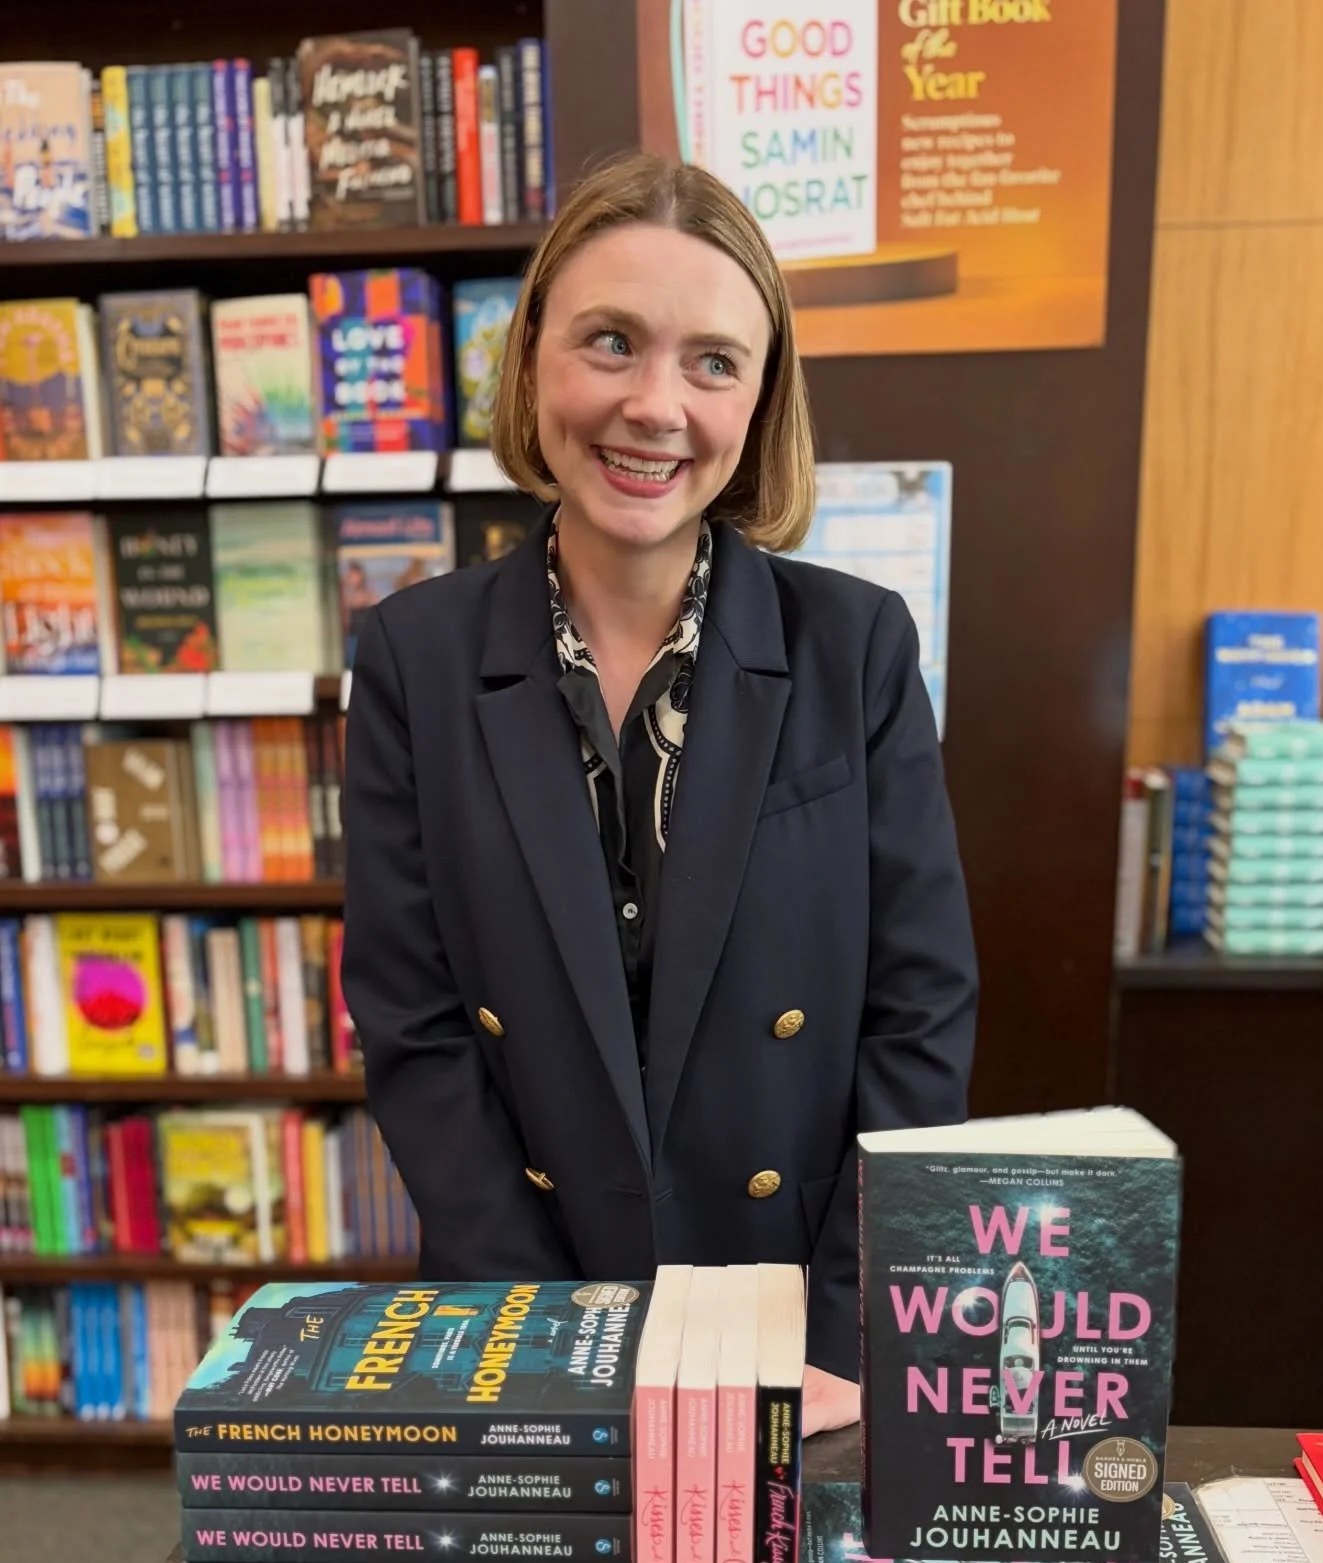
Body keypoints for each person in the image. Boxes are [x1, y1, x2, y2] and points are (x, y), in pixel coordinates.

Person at [342, 152, 978, 1435]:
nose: (654, 405)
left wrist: (849, 1326)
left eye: (711, 362)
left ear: (759, 399)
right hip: (526, 1309)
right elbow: (413, 1023)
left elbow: (918, 1014)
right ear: (533, 364)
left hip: (796, 1327)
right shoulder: (413, 656)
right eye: (611, 343)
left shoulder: (855, 647)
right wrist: (531, 1331)